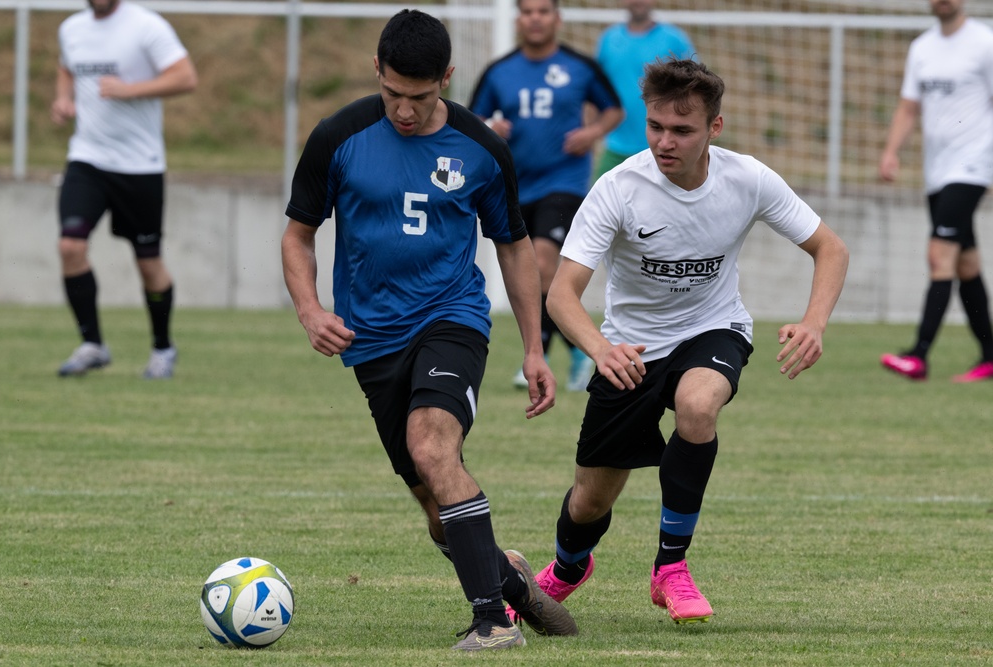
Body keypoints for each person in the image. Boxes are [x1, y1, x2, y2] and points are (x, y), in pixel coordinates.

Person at [281, 9, 577, 651]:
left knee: (433, 447)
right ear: (376, 74)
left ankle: (494, 623)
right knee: (438, 510)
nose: (405, 111)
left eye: (420, 97)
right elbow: (298, 235)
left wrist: (533, 347)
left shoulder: (481, 149)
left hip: (452, 319)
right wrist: (309, 309)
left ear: (446, 77)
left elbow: (515, 246)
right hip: (372, 341)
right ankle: (512, 582)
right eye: (392, 94)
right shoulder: (339, 137)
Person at [516, 58, 848, 626]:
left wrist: (814, 322)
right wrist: (600, 349)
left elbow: (830, 248)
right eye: (656, 128)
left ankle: (671, 567)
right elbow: (562, 295)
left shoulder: (748, 178)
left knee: (698, 406)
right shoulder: (617, 189)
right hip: (629, 351)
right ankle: (569, 567)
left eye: (682, 130)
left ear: (714, 128)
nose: (665, 142)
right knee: (590, 500)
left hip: (713, 330)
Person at [469, 0, 623, 392]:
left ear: (557, 18)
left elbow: (614, 110)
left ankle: (535, 358)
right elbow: (470, 121)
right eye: (527, 11)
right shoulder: (499, 72)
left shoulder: (579, 66)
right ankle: (574, 349)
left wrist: (591, 134)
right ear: (518, 19)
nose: (535, 18)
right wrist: (490, 125)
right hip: (516, 186)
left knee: (542, 263)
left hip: (565, 184)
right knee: (533, 272)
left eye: (543, 11)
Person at [52, 0, 197, 378]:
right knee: (70, 245)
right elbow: (66, 67)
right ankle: (92, 345)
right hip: (87, 158)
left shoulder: (147, 26)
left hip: (139, 165)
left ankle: (163, 349)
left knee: (148, 262)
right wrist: (63, 99)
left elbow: (185, 77)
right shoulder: (72, 28)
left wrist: (131, 90)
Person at [878, 0, 993, 383]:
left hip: (974, 166)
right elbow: (909, 107)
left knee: (938, 255)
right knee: (965, 264)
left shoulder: (984, 42)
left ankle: (919, 355)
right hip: (937, 172)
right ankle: (990, 356)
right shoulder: (922, 48)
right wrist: (891, 152)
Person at [593, 0, 694, 181]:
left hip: (663, 149)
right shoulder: (608, 39)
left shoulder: (674, 39)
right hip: (615, 147)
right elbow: (594, 90)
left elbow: (694, 89)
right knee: (596, 204)